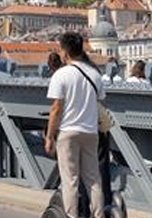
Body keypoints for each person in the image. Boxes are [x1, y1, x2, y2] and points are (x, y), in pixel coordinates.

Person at [45, 32, 106, 218]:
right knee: (93, 179)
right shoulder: (95, 74)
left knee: (70, 180)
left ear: (65, 52)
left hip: (68, 132)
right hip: (90, 132)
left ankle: (72, 216)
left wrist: (49, 136)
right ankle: (98, 215)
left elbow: (56, 109)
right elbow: (99, 102)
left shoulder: (61, 75)